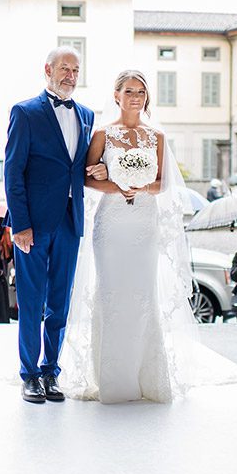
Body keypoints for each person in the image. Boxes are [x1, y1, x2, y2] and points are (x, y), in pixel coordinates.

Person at [59, 69, 206, 404]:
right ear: (116, 95)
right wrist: (116, 184)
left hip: (143, 223)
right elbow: (86, 178)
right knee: (111, 292)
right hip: (111, 223)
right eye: (129, 91)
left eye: (141, 92)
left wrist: (140, 187)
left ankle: (146, 376)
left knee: (142, 294)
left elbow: (162, 183)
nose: (135, 97)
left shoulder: (156, 137)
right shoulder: (102, 134)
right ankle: (111, 378)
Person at [3, 46, 106, 404]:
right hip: (32, 223)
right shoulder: (25, 112)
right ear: (47, 69)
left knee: (60, 304)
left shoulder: (88, 115)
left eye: (76, 70)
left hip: (70, 222)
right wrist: (20, 224)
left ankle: (51, 372)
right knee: (31, 302)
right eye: (65, 68)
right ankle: (29, 375)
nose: (70, 76)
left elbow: (82, 167)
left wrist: (104, 172)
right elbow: (13, 172)